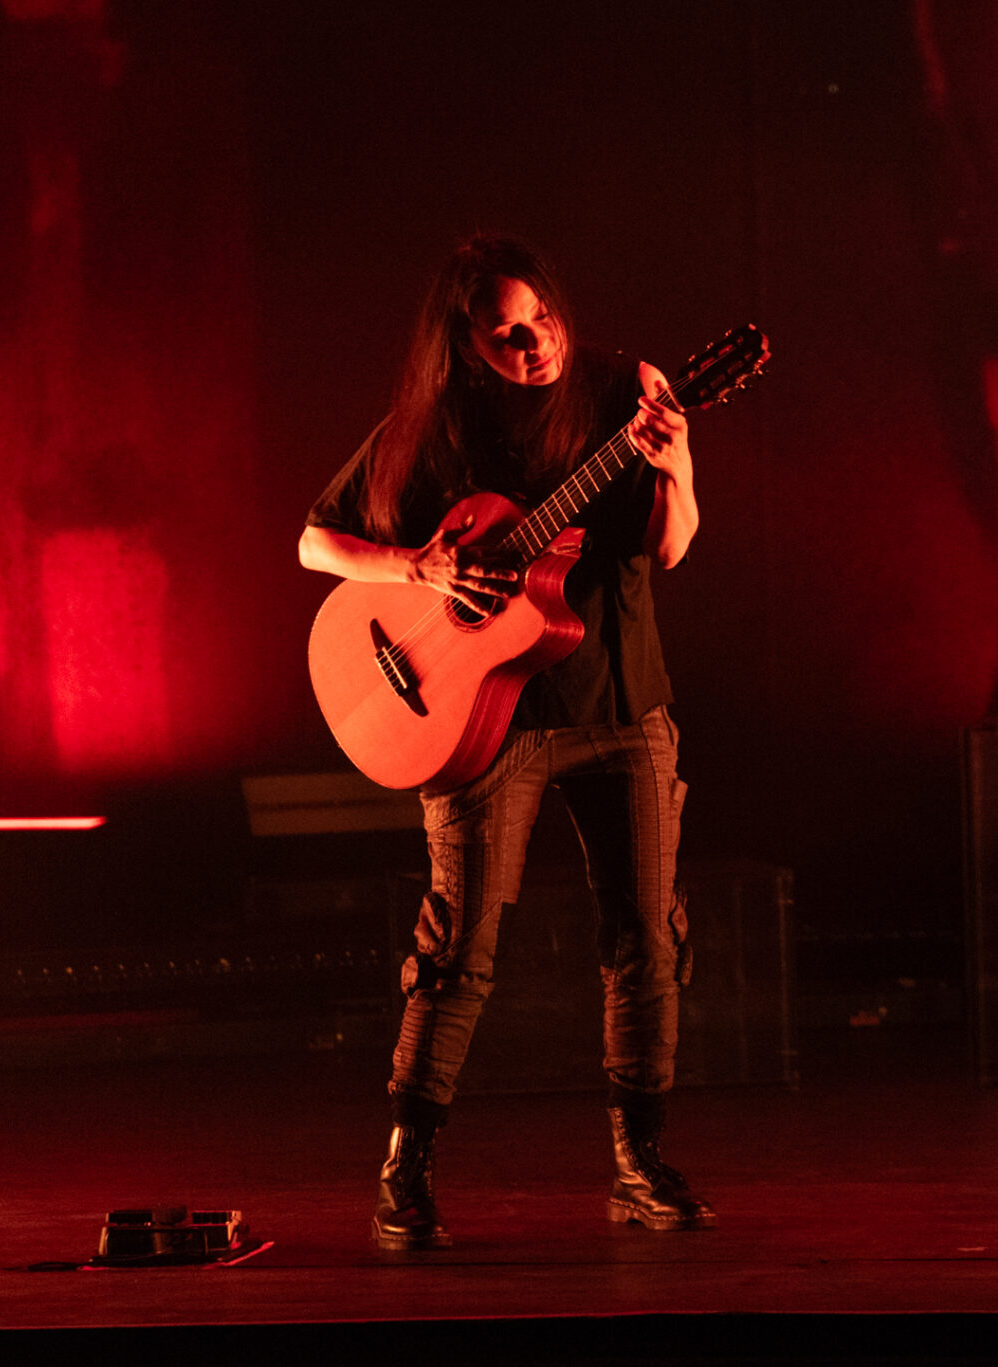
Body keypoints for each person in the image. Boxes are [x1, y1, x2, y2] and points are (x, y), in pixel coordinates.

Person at [298, 233, 711, 1248]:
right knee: (458, 950)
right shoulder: (432, 428)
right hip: (483, 718)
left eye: (542, 320)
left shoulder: (630, 390)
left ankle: (638, 1162)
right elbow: (316, 539)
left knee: (645, 939)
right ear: (464, 344)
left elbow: (669, 544)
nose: (532, 344)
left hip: (622, 702)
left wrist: (678, 462)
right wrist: (420, 571)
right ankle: (406, 1168)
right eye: (504, 333)